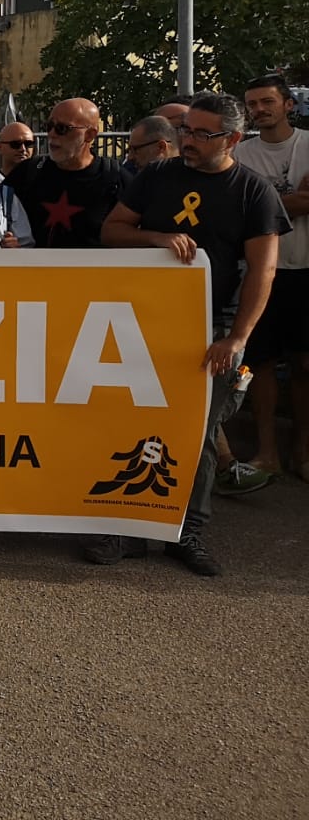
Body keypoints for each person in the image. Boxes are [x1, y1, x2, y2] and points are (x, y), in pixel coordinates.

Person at [89, 93, 288, 575]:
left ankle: (187, 531)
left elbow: (263, 272)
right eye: (187, 131)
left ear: (233, 139)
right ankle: (125, 529)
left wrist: (237, 338)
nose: (190, 141)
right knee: (130, 422)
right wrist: (156, 239)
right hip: (144, 319)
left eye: (204, 134)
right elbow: (112, 231)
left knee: (197, 433)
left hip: (213, 325)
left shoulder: (254, 190)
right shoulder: (157, 175)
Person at [234, 74, 309, 478]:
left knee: (304, 365)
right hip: (261, 273)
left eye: (267, 102)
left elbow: (258, 208)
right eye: (252, 103)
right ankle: (267, 453)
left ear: (288, 105)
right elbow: (243, 211)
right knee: (259, 363)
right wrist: (294, 200)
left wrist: (267, 203)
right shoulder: (242, 154)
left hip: (305, 270)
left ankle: (303, 451)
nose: (259, 109)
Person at [3, 97, 129, 249]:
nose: (52, 134)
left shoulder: (115, 178)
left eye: (62, 128)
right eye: (49, 126)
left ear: (90, 134)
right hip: (35, 271)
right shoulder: (28, 172)